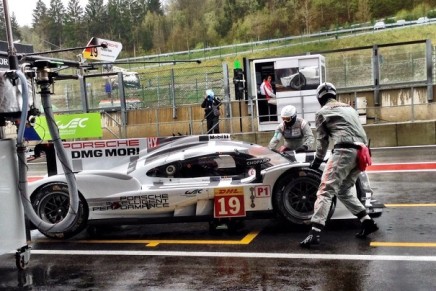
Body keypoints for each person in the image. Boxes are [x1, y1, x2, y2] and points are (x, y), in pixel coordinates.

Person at [300, 82, 377, 248]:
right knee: (342, 190)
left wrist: (317, 161)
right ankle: (367, 221)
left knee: (325, 190)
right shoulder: (350, 109)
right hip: (363, 152)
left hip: (344, 151)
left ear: (319, 98)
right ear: (334, 94)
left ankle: (314, 233)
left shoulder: (322, 112)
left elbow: (322, 142)